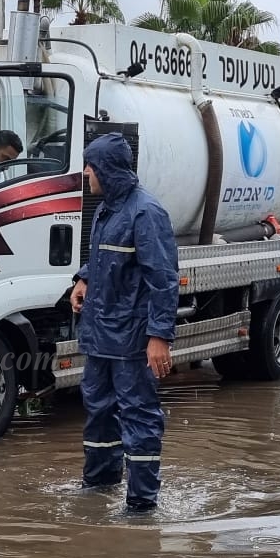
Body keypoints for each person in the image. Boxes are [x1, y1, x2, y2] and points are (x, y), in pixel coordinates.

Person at [68, 132, 178, 512]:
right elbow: (103, 256)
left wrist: (158, 336)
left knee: (138, 415)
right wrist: (83, 278)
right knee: (98, 409)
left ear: (108, 170)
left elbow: (162, 279)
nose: (86, 173)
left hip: (131, 339)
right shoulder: (106, 209)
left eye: (91, 166)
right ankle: (99, 485)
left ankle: (142, 505)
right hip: (100, 335)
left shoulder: (146, 212)